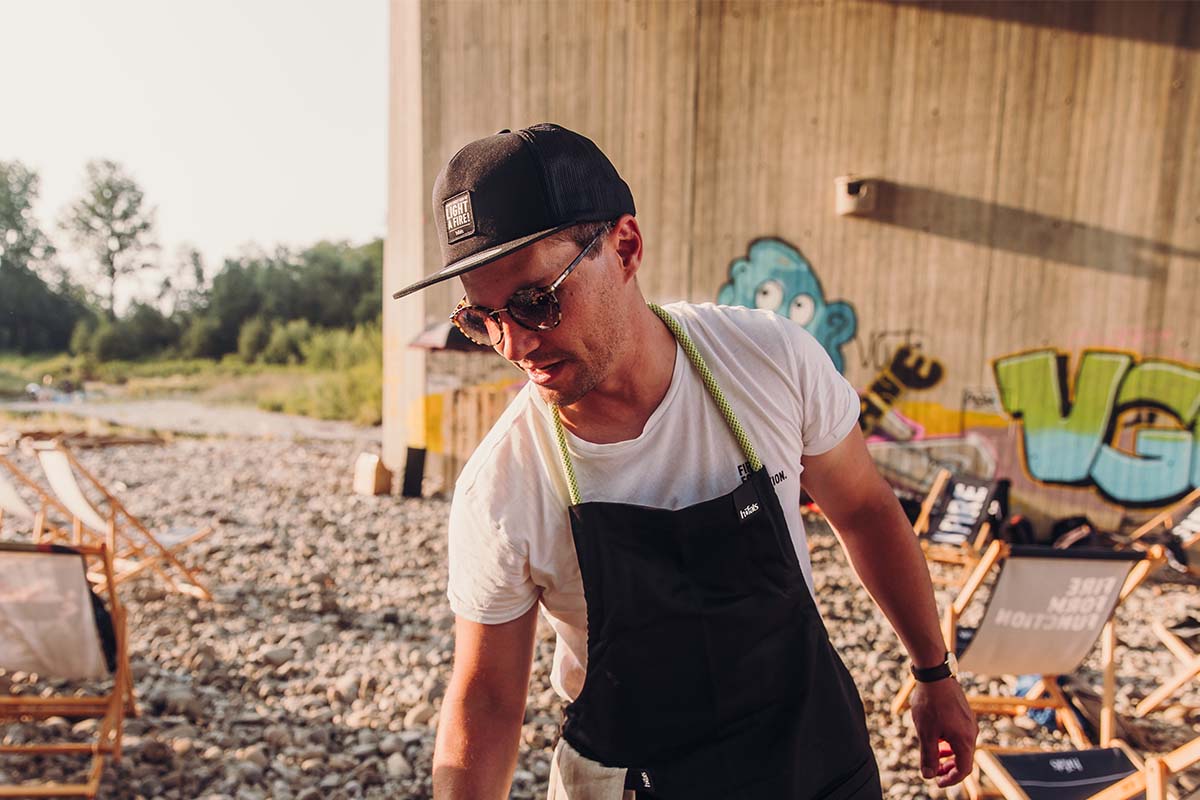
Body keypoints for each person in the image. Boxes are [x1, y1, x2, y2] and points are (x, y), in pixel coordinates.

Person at [392, 123, 977, 800]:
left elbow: (867, 509)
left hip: (812, 763)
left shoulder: (767, 362)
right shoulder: (503, 485)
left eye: (534, 301)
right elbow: (487, 698)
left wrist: (933, 672)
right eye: (481, 318)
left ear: (626, 247)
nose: (514, 343)